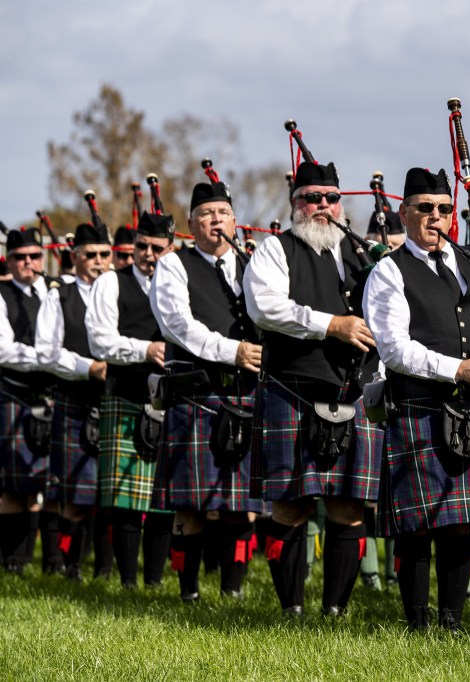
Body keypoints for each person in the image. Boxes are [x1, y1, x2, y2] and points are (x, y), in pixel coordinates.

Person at [363, 167, 470, 631]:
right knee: (419, 522)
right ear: (404, 213)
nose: (435, 217)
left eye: (443, 209)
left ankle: (453, 621)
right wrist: (455, 368)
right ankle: (418, 623)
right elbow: (394, 349)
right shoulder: (388, 270)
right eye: (424, 208)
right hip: (419, 405)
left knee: (461, 520)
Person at [243, 159, 378, 617]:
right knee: (290, 507)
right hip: (292, 389)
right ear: (295, 203)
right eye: (311, 198)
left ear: (342, 203)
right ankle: (291, 608)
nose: (322, 206)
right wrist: (332, 325)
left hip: (352, 392)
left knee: (350, 507)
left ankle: (335, 610)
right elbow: (265, 308)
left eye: (331, 198)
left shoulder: (364, 255)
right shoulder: (275, 251)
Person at [150, 178, 264, 601]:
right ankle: (188, 590)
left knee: (239, 503)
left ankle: (232, 589)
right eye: (205, 215)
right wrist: (232, 351)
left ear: (235, 222)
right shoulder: (173, 265)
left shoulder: (254, 266)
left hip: (247, 393)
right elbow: (176, 326)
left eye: (222, 214)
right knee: (190, 503)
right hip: (197, 394)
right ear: (191, 226)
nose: (215, 221)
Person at [86, 212, 176, 589]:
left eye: (157, 248)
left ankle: (153, 583)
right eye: (141, 246)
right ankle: (126, 583)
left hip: (171, 398)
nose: (148, 254)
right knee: (126, 498)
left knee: (162, 499)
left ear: (169, 249)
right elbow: (99, 342)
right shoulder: (111, 282)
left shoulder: (178, 282)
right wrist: (146, 349)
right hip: (126, 393)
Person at [36, 223, 111, 581]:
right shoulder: (59, 295)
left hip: (115, 401)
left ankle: (105, 569)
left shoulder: (118, 291)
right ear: (75, 257)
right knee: (78, 497)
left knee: (111, 497)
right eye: (91, 255)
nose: (99, 262)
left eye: (104, 255)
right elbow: (47, 353)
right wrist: (89, 367)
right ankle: (69, 566)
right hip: (76, 398)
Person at [0, 228, 55, 573]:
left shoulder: (53, 293)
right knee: (12, 486)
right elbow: (3, 349)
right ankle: (13, 562)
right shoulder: (1, 294)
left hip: (51, 396)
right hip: (11, 393)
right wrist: (48, 358)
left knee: (41, 484)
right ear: (8, 258)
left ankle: (42, 561)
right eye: (21, 257)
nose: (29, 263)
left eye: (35, 256)